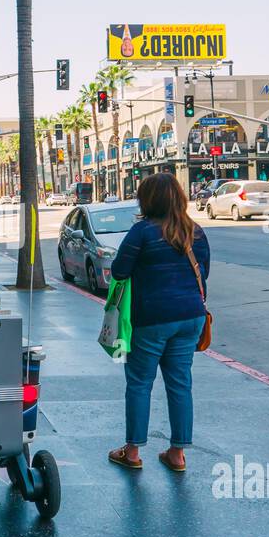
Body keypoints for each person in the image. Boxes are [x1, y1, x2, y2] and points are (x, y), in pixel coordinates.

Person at [107, 172, 210, 474]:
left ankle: (133, 451)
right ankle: (177, 453)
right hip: (190, 317)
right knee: (180, 384)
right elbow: (203, 273)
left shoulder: (142, 233)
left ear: (147, 200)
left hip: (151, 319)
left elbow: (118, 271)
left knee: (139, 383)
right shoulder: (197, 232)